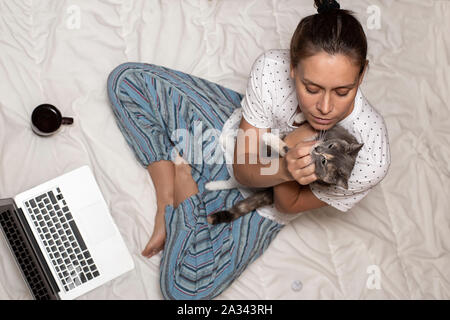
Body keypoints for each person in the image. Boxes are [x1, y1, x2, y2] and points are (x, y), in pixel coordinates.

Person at [106, 0, 390, 300]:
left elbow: (287, 206)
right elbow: (242, 169)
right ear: (292, 68)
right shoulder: (272, 70)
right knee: (125, 82)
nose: (325, 107)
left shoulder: (371, 157)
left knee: (183, 292)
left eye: (342, 91)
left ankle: (185, 194)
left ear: (362, 75)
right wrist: (285, 159)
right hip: (232, 140)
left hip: (261, 205)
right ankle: (168, 199)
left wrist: (284, 170)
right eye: (311, 88)